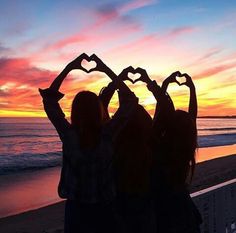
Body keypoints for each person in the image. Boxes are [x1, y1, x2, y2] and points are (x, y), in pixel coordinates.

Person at [39, 53, 138, 233]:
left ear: (75, 112)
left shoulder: (69, 135)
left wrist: (70, 67)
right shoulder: (108, 134)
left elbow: (49, 101)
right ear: (98, 111)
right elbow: (130, 101)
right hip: (105, 210)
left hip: (76, 212)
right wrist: (105, 68)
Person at [134, 69, 202, 232]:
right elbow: (191, 116)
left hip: (162, 212)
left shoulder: (158, 147)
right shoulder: (185, 149)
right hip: (184, 211)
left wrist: (161, 84)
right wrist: (191, 88)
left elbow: (161, 113)